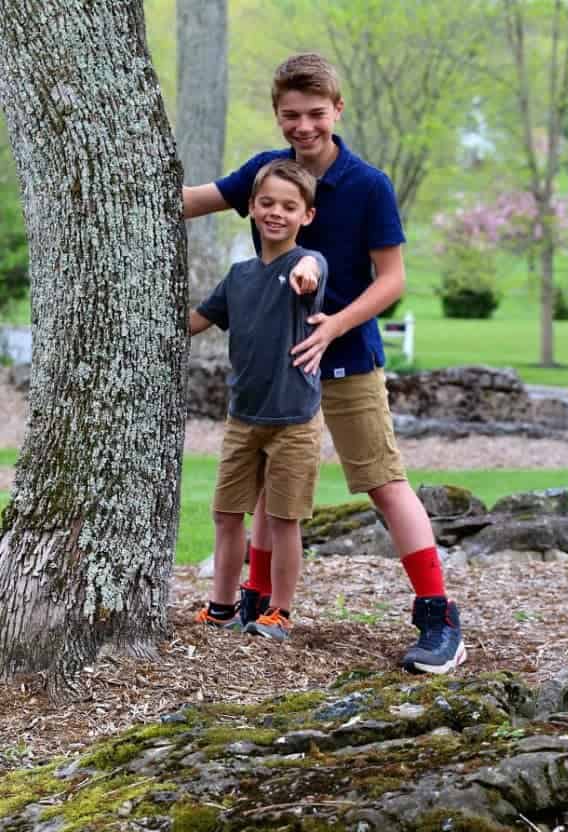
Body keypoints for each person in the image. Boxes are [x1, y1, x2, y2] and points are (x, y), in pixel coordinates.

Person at [184, 52, 466, 674]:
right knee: (265, 487)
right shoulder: (268, 173)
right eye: (290, 115)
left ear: (337, 110)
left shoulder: (368, 185)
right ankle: (258, 601)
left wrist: (335, 324)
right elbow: (191, 200)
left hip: (346, 362)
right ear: (277, 115)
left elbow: (391, 281)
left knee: (383, 483)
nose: (303, 126)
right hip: (277, 370)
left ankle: (437, 613)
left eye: (315, 114)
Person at [191, 159, 327, 641]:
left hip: (294, 420)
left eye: (289, 207)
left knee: (285, 519)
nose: (276, 213)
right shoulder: (239, 276)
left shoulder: (307, 266)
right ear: (249, 208)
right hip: (242, 418)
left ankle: (279, 611)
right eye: (266, 203)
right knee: (227, 515)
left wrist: (307, 274)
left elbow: (312, 268)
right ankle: (222, 606)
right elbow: (198, 320)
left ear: (306, 216)